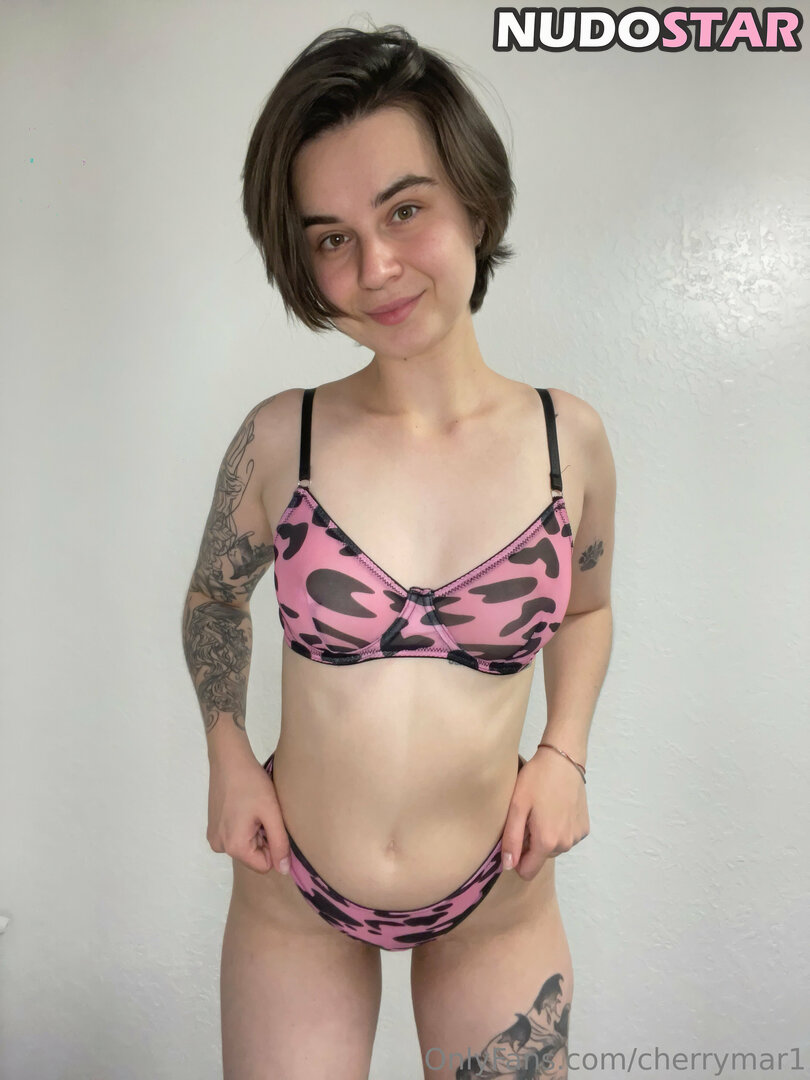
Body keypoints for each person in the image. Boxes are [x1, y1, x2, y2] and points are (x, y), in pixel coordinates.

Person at [182, 23, 615, 1080]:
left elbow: (587, 608)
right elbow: (212, 600)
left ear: (475, 201)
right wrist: (228, 755)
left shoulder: (567, 441)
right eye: (331, 238)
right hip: (293, 894)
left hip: (498, 897)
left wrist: (564, 753)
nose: (375, 267)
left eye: (405, 211)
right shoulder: (283, 437)